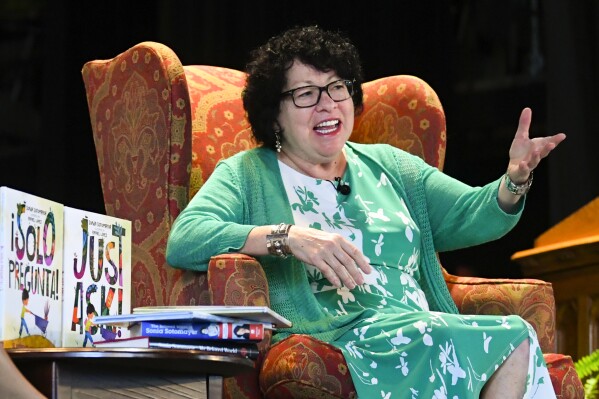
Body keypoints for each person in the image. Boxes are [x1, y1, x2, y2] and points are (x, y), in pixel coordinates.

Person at [166, 25, 566, 398]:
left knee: (515, 336)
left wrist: (514, 179)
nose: (327, 105)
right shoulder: (247, 172)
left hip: (416, 323)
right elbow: (186, 237)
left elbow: (471, 213)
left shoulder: (391, 166)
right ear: (274, 112)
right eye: (306, 94)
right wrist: (287, 237)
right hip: (341, 332)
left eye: (336, 88)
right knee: (509, 336)